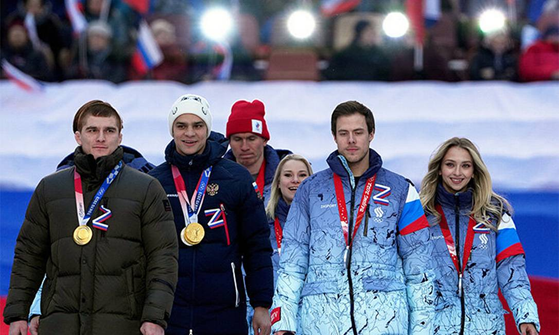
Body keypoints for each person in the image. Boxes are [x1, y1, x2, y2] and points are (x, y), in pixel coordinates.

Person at [2, 100, 179, 335]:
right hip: (60, 324)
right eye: (92, 130)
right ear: (78, 136)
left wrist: (155, 317)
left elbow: (163, 257)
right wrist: (18, 314)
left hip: (122, 324)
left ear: (120, 137)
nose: (101, 138)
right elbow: (29, 255)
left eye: (109, 130)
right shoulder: (50, 188)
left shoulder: (146, 189)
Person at [270, 100, 435, 334]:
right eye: (343, 133)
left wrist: (422, 329)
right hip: (322, 322)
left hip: (383, 322)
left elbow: (420, 267)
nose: (351, 140)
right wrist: (283, 323)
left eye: (358, 132)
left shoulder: (401, 190)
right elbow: (292, 263)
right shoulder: (310, 190)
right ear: (334, 136)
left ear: (371, 134)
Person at [148, 94, 274, 335]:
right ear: (171, 130)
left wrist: (261, 304)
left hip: (224, 312)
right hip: (170, 312)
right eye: (181, 126)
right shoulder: (155, 182)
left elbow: (256, 245)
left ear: (207, 129)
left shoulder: (236, 178)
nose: (190, 133)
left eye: (198, 125)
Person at [419, 137, 540, 335]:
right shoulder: (419, 215)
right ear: (439, 169)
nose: (457, 173)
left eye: (465, 166)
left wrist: (526, 316)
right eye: (450, 165)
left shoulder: (496, 214)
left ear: (474, 171)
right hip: (433, 327)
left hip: (486, 328)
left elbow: (513, 273)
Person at [224, 99, 291, 204]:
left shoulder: (291, 175)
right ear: (229, 142)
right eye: (237, 139)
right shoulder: (215, 177)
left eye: (251, 139)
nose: (244, 147)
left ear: (264, 140)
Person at [265, 154, 313, 284]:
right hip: (272, 302)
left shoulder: (325, 222)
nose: (295, 180)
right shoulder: (262, 224)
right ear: (278, 183)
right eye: (288, 175)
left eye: (302, 175)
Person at [324, 19, 391, 81]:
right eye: (368, 32)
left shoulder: (379, 54)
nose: (371, 35)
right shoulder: (345, 54)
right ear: (360, 34)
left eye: (372, 32)